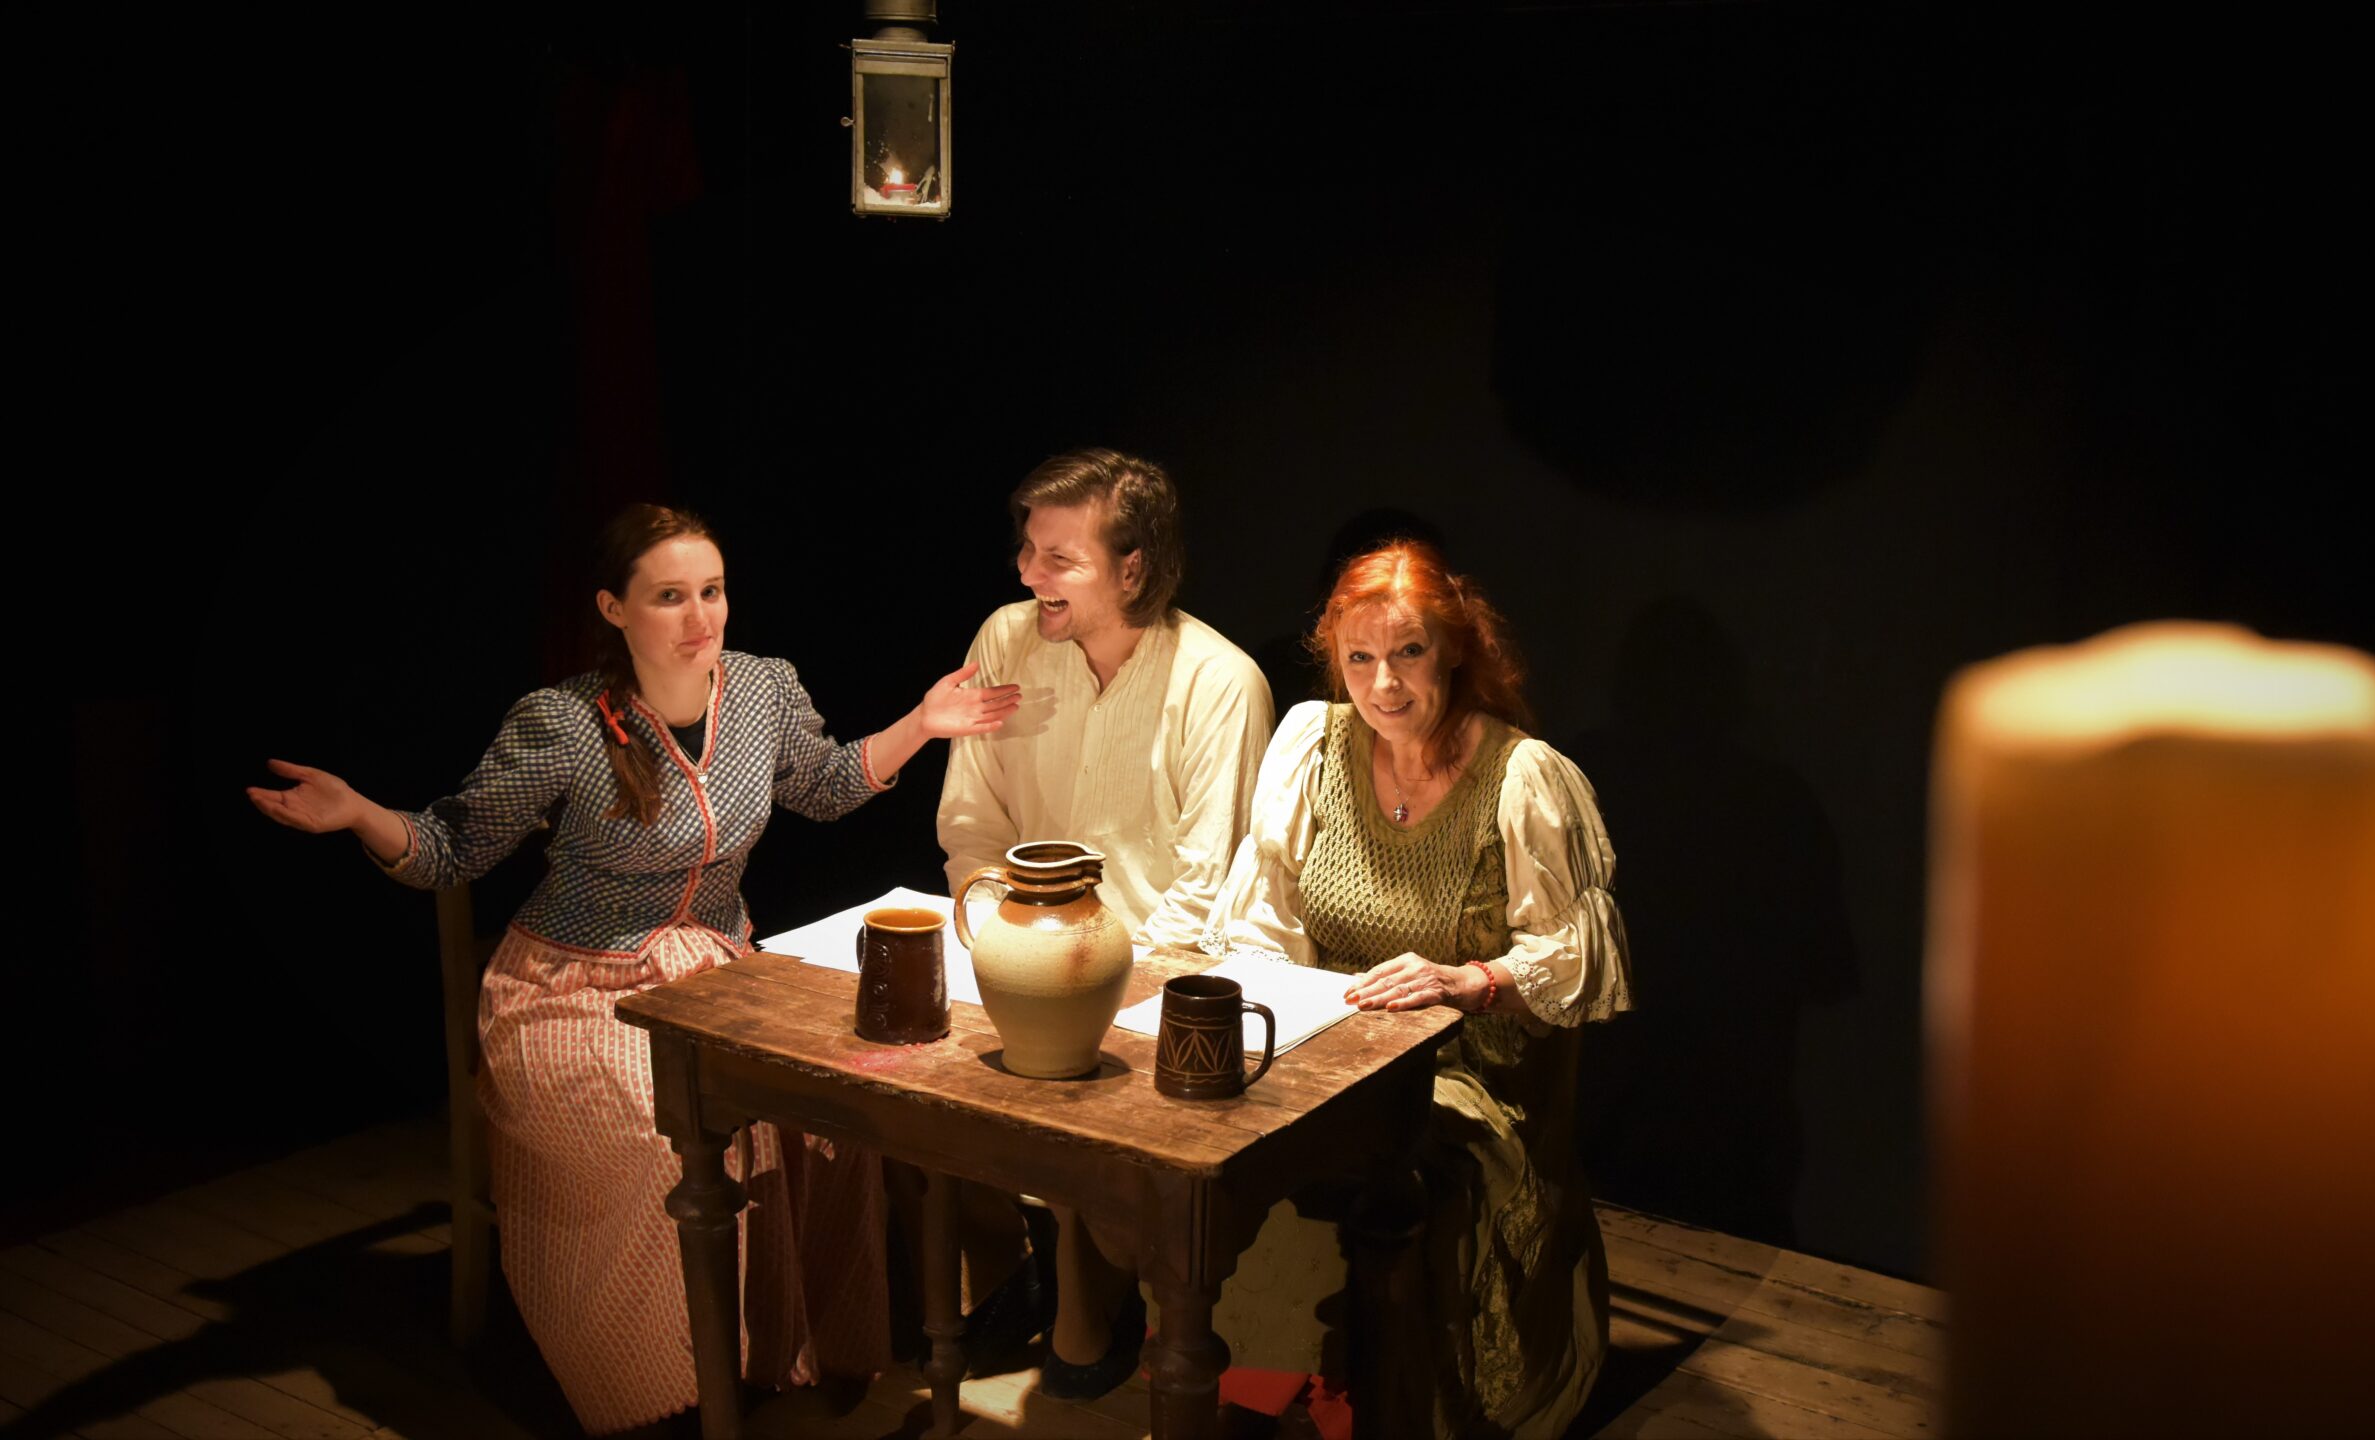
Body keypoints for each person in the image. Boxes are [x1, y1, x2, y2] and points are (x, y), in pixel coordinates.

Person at [246, 504, 1019, 1436]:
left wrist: (923, 724)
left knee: (831, 1115)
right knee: (671, 1144)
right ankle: (667, 1396)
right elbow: (452, 849)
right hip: (569, 989)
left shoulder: (762, 689)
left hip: (715, 975)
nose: (700, 618)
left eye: (711, 592)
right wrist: (359, 813)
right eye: (669, 597)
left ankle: (779, 1358)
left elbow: (821, 785)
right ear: (614, 609)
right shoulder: (563, 722)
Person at [1205, 538, 1633, 1440]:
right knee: (1235, 1147)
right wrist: (1277, 1015)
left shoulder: (1521, 777)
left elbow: (1577, 958)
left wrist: (1470, 980)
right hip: (1331, 1052)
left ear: (1454, 650)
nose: (1383, 683)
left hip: (1471, 1072)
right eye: (1359, 657)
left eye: (1408, 653)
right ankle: (1264, 1384)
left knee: (1376, 1175)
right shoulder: (1312, 745)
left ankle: (1364, 1398)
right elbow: (1263, 917)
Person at [935, 448, 1274, 1395]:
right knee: (898, 1087)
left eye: (1059, 559)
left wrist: (1084, 987)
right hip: (1010, 947)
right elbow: (972, 823)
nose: (1027, 573)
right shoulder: (1005, 640)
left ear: (1133, 568)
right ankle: (1008, 1270)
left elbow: (1206, 891)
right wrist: (992, 932)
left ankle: (1089, 1283)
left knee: (1081, 1111)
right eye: (1027, 550)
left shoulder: (1218, 682)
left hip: (1149, 983)